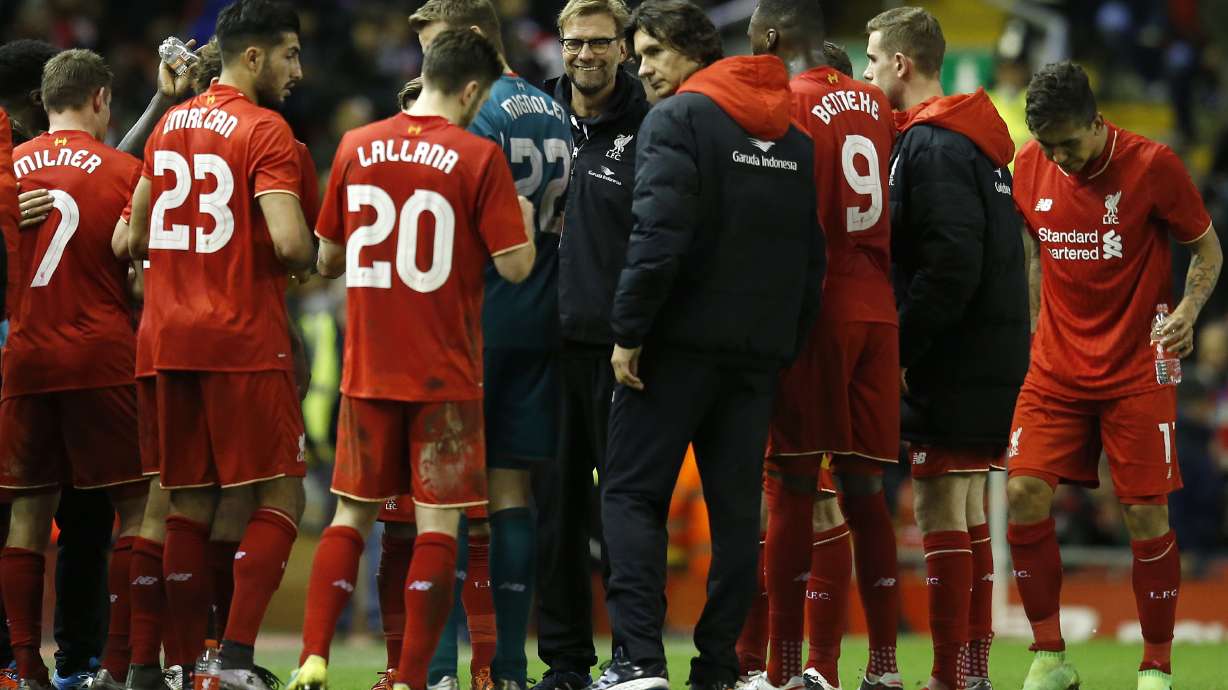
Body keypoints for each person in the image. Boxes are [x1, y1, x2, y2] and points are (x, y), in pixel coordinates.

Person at [284, 28, 537, 690]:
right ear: (474, 90)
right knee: (438, 524)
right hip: (444, 371)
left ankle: (313, 655)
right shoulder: (478, 157)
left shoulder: (355, 145)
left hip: (369, 368)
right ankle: (412, 679)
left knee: (351, 514)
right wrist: (522, 227)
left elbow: (328, 258)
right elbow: (516, 267)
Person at [597, 1, 825, 689]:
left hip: (674, 349)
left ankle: (638, 661)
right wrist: (784, 344)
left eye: (652, 55)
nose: (642, 71)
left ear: (693, 52)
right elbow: (810, 257)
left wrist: (628, 331)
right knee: (734, 515)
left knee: (632, 496)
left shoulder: (678, 119)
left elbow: (658, 236)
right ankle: (719, 666)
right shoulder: (793, 136)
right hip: (754, 357)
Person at [1008, 61, 1222, 690]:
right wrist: (1032, 327)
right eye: (1048, 146)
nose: (1061, 159)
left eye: (1070, 144)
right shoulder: (1029, 166)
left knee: (1144, 515)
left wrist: (1186, 311)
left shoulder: (1153, 166)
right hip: (1054, 369)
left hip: (1136, 368)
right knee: (1022, 496)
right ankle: (1049, 657)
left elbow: (1206, 248)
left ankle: (1155, 666)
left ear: (1098, 123)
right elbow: (1033, 250)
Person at [125, 1, 316, 687]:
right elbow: (293, 242)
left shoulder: (170, 124)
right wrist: (319, 255)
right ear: (255, 56)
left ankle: (184, 666)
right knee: (283, 496)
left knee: (186, 502)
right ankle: (232, 661)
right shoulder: (265, 130)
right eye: (291, 54)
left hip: (166, 339)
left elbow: (129, 237)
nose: (299, 69)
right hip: (239, 336)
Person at [863, 7, 1029, 690]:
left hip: (954, 355)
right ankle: (973, 674)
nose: (869, 72)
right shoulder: (977, 141)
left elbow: (950, 262)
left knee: (939, 508)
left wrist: (903, 344)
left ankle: (946, 678)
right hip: (990, 349)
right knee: (963, 510)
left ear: (902, 63)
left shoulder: (931, 146)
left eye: (874, 59)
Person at [409, 4, 572, 690]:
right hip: (543, 316)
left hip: (474, 318)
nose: (428, 75)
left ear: (470, 46)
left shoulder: (474, 118)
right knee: (511, 492)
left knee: (442, 498)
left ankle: (442, 670)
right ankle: (506, 668)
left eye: (435, 52)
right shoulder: (552, 109)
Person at [747, 2, 901, 690]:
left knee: (793, 488)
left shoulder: (788, 103)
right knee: (866, 493)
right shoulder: (874, 101)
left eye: (757, 42)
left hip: (819, 308)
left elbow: (788, 220)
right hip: (879, 310)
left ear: (776, 38)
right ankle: (885, 669)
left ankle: (783, 669)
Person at [0, 49, 146, 690]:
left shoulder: (9, 171)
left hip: (25, 360)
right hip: (101, 357)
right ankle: (113, 667)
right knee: (136, 509)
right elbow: (141, 274)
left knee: (27, 517)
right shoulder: (124, 171)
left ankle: (23, 668)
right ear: (100, 101)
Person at [534, 0, 650, 687]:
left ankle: (636, 654)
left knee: (628, 513)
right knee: (558, 517)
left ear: (624, 49)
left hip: (621, 350)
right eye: (575, 42)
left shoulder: (653, 124)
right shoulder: (536, 121)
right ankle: (566, 663)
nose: (585, 54)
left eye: (600, 42)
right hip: (549, 348)